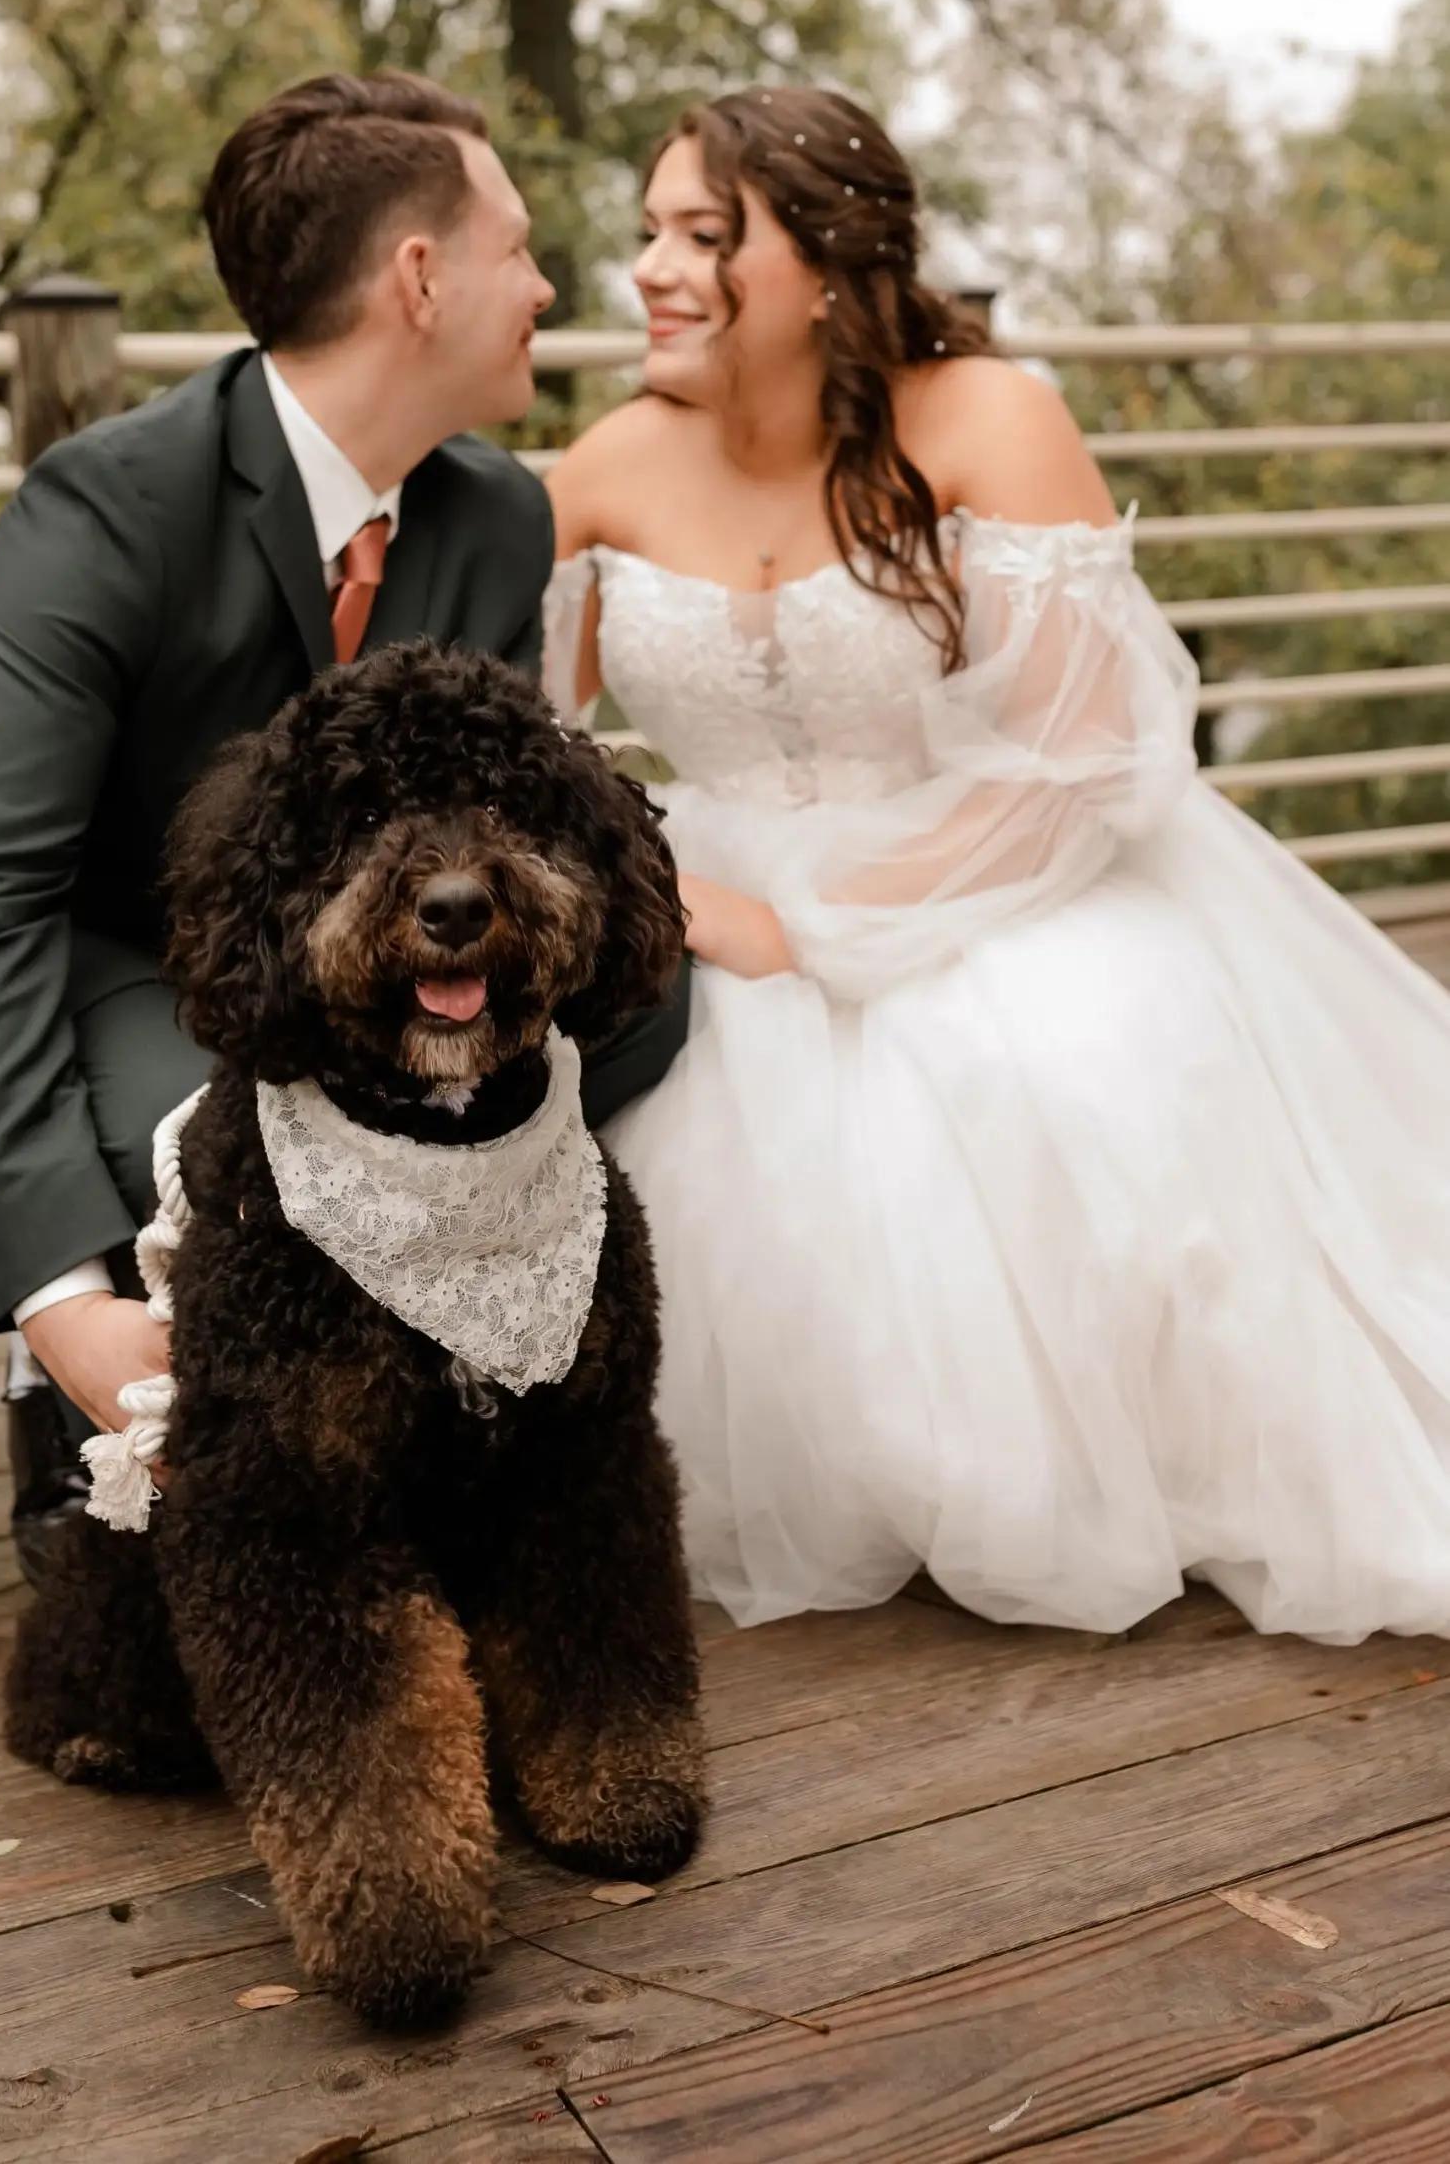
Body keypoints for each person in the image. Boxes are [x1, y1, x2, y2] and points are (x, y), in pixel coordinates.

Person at [545, 80, 1450, 1643]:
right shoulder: (604, 462)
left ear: (823, 261)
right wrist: (664, 897)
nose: (651, 269)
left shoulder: (988, 418)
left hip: (1001, 870)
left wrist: (811, 925)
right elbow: (514, 749)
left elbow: (1085, 766)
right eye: (647, 234)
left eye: (704, 233)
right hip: (701, 888)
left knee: (1061, 1086)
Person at [0, 70, 689, 1583]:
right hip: (84, 954)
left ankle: (440, 1374)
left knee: (640, 1016)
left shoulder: (493, 516)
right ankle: (72, 1411)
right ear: (419, 278)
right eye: (520, 245)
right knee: (204, 1124)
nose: (552, 286)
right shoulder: (103, 507)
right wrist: (59, 1303)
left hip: (341, 958)